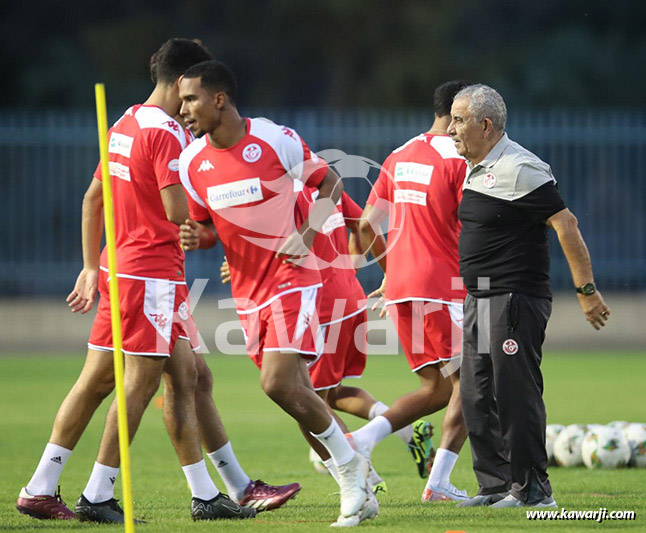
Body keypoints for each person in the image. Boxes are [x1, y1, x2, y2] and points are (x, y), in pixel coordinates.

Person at [16, 39, 285, 524]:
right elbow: (178, 214)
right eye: (189, 94)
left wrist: (92, 265)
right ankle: (96, 494)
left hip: (125, 270)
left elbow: (92, 198)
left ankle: (211, 493)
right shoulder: (166, 134)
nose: (190, 106)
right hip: (150, 275)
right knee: (136, 384)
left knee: (187, 378)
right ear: (182, 81)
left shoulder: (125, 120)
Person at [177, 60, 377, 526]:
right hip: (248, 294)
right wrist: (197, 239)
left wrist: (306, 235)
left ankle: (350, 471)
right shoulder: (191, 164)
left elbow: (331, 183)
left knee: (277, 383)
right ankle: (359, 486)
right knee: (299, 394)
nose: (183, 109)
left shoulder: (274, 139)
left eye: (191, 99)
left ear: (219, 99)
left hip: (295, 280)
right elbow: (208, 229)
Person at [449, 84, 610, 508]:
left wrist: (587, 291)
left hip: (514, 297)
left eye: (459, 119)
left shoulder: (521, 167)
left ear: (486, 125)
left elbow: (567, 224)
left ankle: (534, 491)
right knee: (476, 393)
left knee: (514, 392)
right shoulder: (477, 165)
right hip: (479, 295)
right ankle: (497, 485)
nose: (450, 128)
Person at [352, 80, 472, 502]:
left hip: (403, 290)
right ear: (459, 112)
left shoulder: (399, 155)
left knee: (438, 390)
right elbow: (474, 228)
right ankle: (438, 485)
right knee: (473, 384)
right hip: (442, 288)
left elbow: (366, 226)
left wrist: (391, 274)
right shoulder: (459, 159)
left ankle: (362, 441)